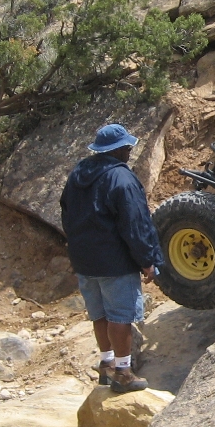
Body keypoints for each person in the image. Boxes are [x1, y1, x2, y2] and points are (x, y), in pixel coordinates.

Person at [59, 123, 161, 393]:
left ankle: (106, 365)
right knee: (120, 316)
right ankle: (123, 372)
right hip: (114, 262)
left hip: (84, 260)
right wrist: (147, 259)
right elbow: (135, 224)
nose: (130, 150)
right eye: (126, 147)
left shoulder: (79, 173)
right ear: (116, 151)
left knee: (99, 313)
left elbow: (66, 213)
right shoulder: (121, 179)